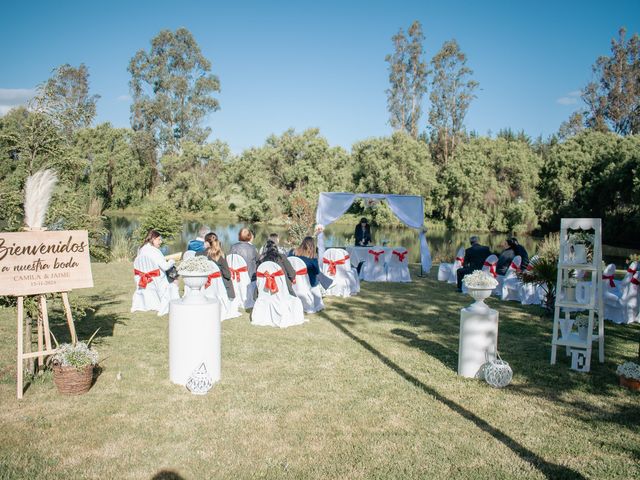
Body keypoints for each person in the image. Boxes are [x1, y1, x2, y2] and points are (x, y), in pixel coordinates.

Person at [131, 229, 179, 315]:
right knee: (173, 272)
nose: (161, 242)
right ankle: (174, 295)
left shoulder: (141, 249)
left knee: (172, 271)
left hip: (143, 278)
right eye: (159, 239)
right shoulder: (155, 251)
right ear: (153, 239)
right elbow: (165, 267)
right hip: (156, 279)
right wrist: (172, 261)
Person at [196, 232, 235, 300]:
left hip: (204, 288)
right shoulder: (221, 256)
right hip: (221, 290)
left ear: (206, 243)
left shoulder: (198, 255)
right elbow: (227, 275)